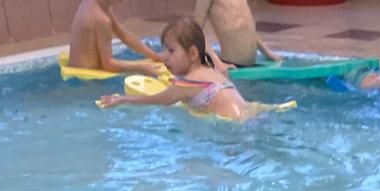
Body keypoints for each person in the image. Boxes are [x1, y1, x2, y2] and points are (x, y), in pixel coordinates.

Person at [97, 18, 280, 120]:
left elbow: (158, 100)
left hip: (235, 128)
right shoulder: (210, 71)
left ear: (192, 53)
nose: (165, 57)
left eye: (171, 50)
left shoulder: (187, 83)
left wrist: (122, 99)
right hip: (253, 115)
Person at [68, 0, 165, 76]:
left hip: (75, 72)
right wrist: (141, 68)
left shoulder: (92, 3)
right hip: (88, 81)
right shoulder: (102, 20)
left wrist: (155, 56)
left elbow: (124, 36)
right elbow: (108, 64)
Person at [193, 0, 280, 69]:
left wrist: (268, 53)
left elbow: (245, 28)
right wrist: (218, 63)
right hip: (232, 65)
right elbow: (196, 33)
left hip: (252, 64)